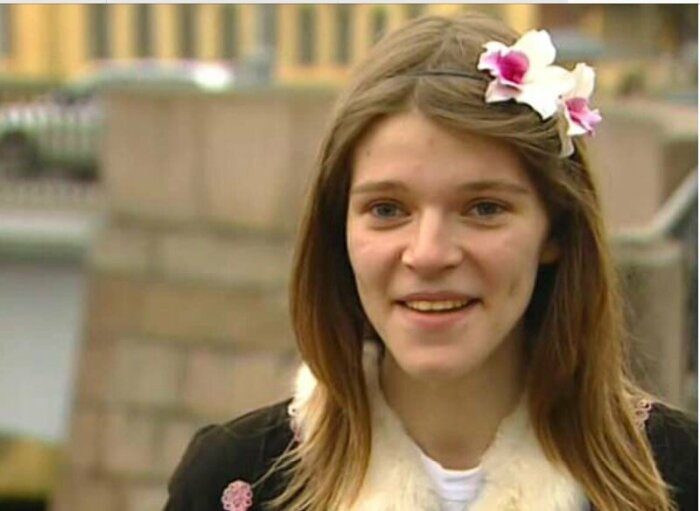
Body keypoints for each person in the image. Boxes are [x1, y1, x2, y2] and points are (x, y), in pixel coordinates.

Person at [164, 13, 697, 511]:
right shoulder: (234, 479)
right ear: (337, 229)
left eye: (483, 208)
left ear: (555, 230)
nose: (429, 254)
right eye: (387, 209)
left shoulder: (679, 475)